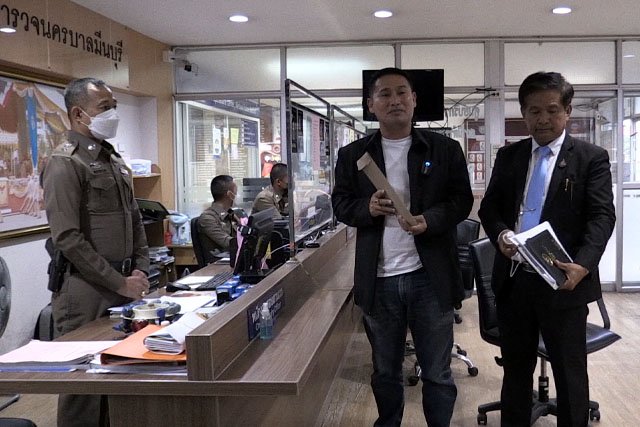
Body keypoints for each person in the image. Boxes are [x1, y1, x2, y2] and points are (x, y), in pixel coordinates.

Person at [332, 67, 473, 426]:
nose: (394, 100)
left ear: (414, 100)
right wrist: (366, 208)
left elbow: (461, 201)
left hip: (430, 277)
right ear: (371, 104)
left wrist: (430, 220)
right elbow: (340, 204)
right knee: (385, 371)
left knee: (437, 373)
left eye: (401, 92)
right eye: (384, 94)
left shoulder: (444, 149)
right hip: (378, 279)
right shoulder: (352, 155)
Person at [478, 71, 615, 427]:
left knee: (570, 374)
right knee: (515, 374)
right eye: (534, 111)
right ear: (523, 113)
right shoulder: (509, 156)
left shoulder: (590, 158)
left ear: (567, 111)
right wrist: (502, 234)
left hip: (564, 281)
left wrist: (583, 265)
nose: (543, 119)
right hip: (515, 281)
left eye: (552, 110)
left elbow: (602, 216)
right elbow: (489, 208)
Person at [42, 77, 150, 427]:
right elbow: (68, 238)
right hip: (85, 291)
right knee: (84, 389)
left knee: (120, 378)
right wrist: (119, 282)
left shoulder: (112, 159)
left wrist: (141, 269)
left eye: (113, 106)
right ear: (78, 114)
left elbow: (135, 218)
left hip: (123, 285)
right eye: (105, 108)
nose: (113, 114)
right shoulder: (65, 162)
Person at [198, 174, 238, 251]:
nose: (237, 196)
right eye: (236, 193)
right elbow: (229, 243)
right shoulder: (208, 218)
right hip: (221, 257)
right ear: (230, 195)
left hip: (235, 256)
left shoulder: (231, 214)